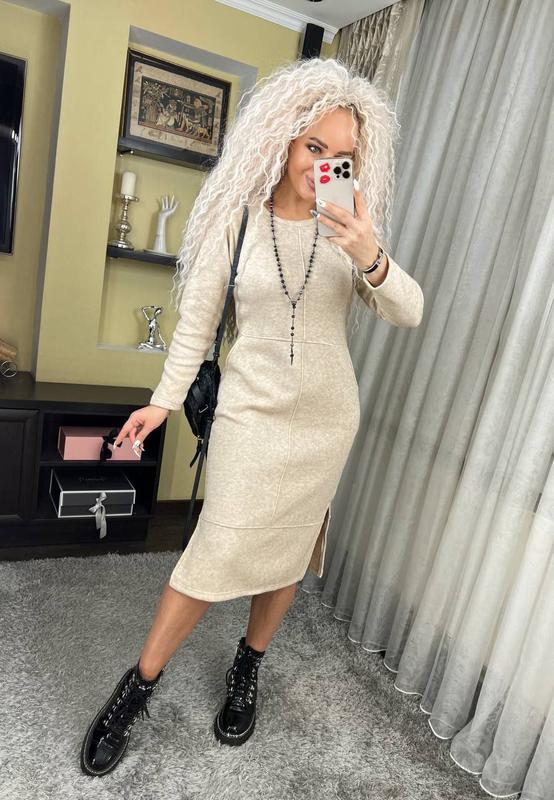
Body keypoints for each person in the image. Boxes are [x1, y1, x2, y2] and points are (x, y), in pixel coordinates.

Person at [80, 57, 424, 777]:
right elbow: (195, 328)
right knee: (213, 552)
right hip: (250, 418)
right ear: (283, 139)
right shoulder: (235, 223)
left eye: (342, 155)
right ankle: (137, 688)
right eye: (314, 146)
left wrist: (370, 254)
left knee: (288, 552)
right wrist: (160, 403)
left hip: (326, 423)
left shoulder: (350, 230)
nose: (324, 165)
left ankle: (249, 664)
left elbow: (409, 311)